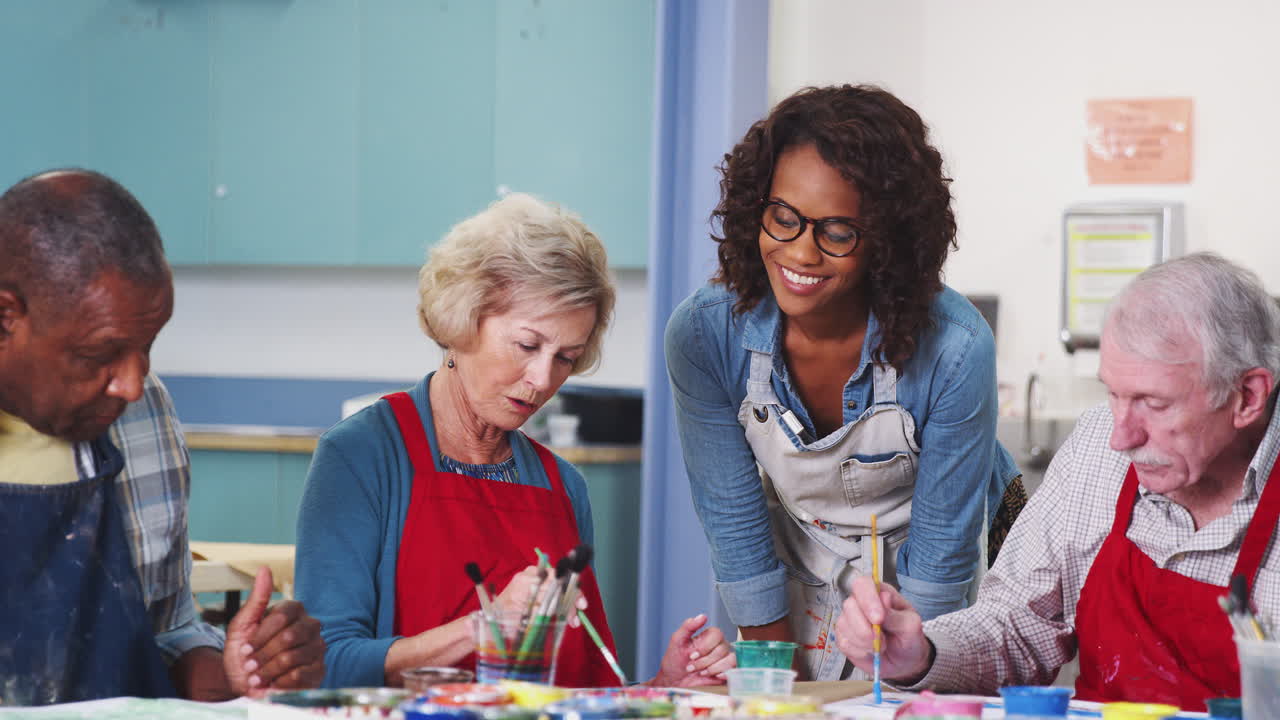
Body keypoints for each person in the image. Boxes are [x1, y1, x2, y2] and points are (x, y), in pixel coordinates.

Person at [295, 193, 734, 689]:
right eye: (527, 345)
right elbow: (324, 665)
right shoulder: (361, 456)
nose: (542, 379)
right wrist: (485, 627)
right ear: (462, 319)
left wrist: (663, 687)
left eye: (566, 357)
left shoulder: (562, 486)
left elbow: (587, 693)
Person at [665, 84, 1022, 680]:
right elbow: (733, 518)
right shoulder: (705, 334)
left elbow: (939, 568)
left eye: (836, 232)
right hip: (799, 561)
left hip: (931, 571)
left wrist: (909, 673)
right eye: (783, 218)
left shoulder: (956, 349)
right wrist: (783, 680)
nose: (801, 253)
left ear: (887, 241)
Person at [835, 252, 1280, 711]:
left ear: (1247, 397)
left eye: (1154, 403)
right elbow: (1015, 625)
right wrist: (921, 652)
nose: (1120, 437)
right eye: (1112, 394)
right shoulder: (1095, 448)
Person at [0, 169, 325, 706]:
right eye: (98, 355)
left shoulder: (144, 414)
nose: (131, 383)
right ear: (7, 317)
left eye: (147, 344)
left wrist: (235, 671)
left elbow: (163, 636)